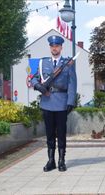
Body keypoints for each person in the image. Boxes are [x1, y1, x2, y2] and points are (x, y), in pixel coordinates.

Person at [31, 35, 77, 172]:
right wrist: (38, 86)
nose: (54, 48)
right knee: (50, 133)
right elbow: (34, 78)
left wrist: (70, 101)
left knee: (61, 133)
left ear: (61, 47)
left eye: (57, 46)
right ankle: (51, 161)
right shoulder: (43, 63)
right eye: (52, 46)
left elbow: (72, 83)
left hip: (62, 102)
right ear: (50, 47)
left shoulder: (67, 63)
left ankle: (61, 160)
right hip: (47, 102)